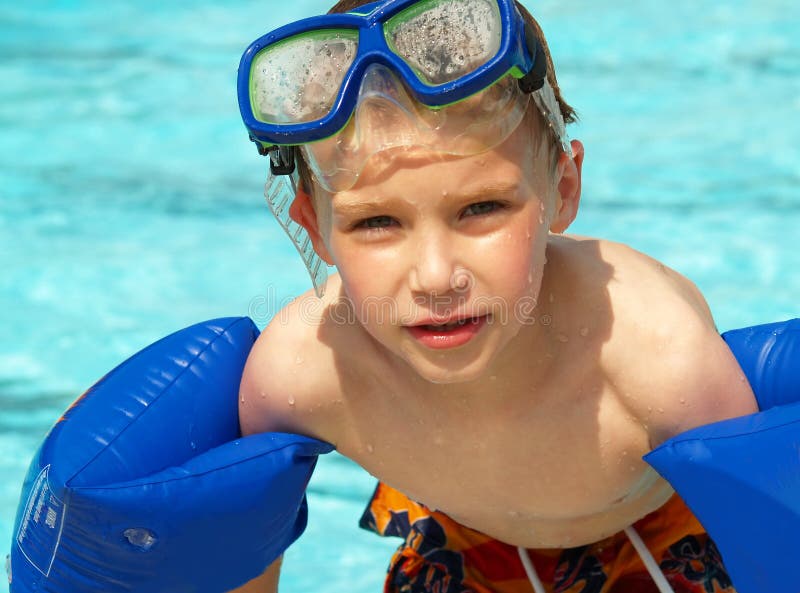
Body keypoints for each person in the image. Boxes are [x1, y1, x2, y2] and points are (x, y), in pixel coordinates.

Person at [231, 0, 757, 591]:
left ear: (563, 187)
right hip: (463, 533)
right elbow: (246, 568)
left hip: (663, 525)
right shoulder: (300, 379)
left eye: (481, 208)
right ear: (313, 228)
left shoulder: (656, 354)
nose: (434, 276)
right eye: (376, 222)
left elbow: (772, 546)